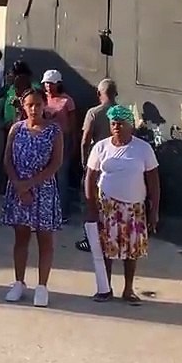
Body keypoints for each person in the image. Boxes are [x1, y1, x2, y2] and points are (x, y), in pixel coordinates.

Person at [85, 105, 160, 305]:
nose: (117, 127)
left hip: (134, 207)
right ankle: (105, 287)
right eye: (113, 123)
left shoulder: (143, 149)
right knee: (106, 250)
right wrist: (91, 206)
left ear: (130, 126)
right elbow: (90, 178)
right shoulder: (101, 147)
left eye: (121, 123)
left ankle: (128, 290)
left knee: (131, 251)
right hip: (107, 206)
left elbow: (153, 181)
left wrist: (154, 211)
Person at [1, 89, 63, 308]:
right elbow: (7, 160)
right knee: (21, 237)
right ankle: (19, 282)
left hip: (43, 190)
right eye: (30, 105)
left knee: (45, 240)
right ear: (23, 107)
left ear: (44, 105)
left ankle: (42, 286)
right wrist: (19, 185)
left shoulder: (54, 131)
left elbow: (55, 164)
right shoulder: (16, 129)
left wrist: (31, 184)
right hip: (19, 190)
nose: (34, 109)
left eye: (38, 104)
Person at [76, 78, 120, 256]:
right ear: (115, 93)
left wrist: (83, 161)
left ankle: (91, 239)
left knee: (90, 202)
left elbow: (86, 140)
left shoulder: (93, 113)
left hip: (97, 163)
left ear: (98, 94)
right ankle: (113, 237)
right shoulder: (123, 113)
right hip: (118, 164)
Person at [41, 69, 78, 219]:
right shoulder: (42, 100)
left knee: (61, 176)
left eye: (52, 83)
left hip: (63, 139)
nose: (48, 87)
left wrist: (75, 142)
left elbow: (73, 123)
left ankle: (62, 211)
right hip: (45, 140)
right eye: (46, 83)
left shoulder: (67, 101)